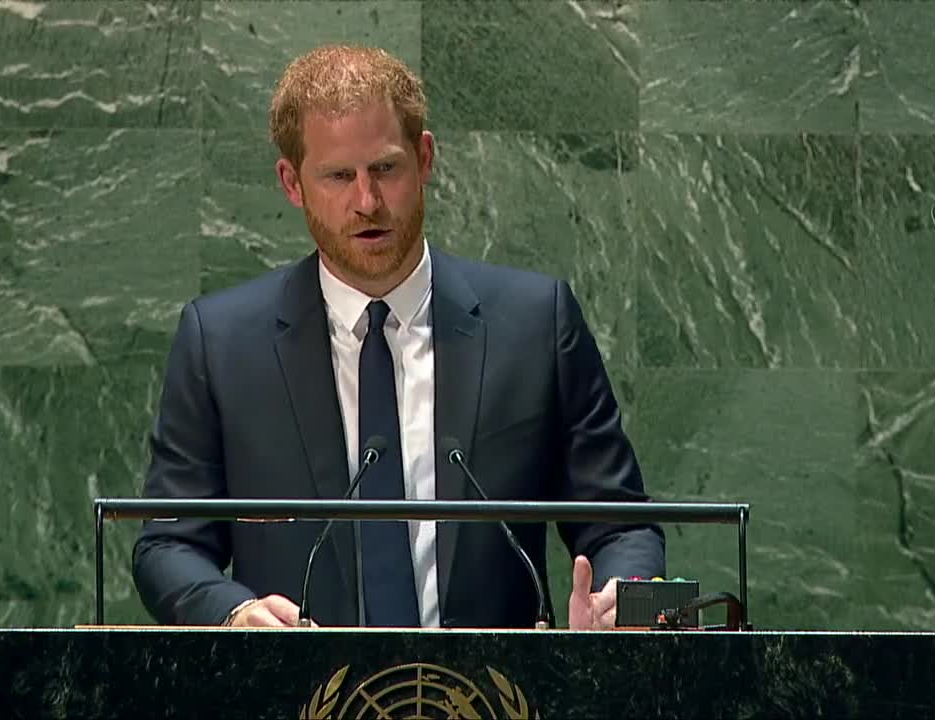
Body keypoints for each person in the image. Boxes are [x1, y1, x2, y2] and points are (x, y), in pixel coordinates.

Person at [133, 44, 664, 630]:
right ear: (292, 182)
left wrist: (626, 599)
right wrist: (234, 614)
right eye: (339, 176)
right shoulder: (222, 344)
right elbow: (168, 545)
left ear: (425, 158)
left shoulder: (537, 323)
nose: (367, 202)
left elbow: (621, 526)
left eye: (386, 168)